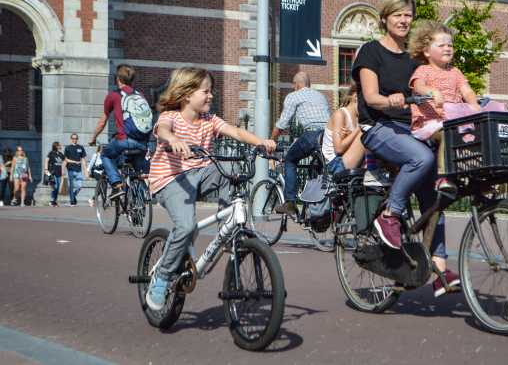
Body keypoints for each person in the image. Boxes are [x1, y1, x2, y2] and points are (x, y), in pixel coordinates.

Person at [351, 0, 459, 297]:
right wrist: (389, 100)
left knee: (434, 195)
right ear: (385, 18)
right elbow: (370, 97)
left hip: (409, 127)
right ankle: (390, 216)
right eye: (398, 14)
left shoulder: (414, 59)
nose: (403, 19)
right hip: (379, 125)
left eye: (408, 15)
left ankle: (438, 268)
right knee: (421, 160)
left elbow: (429, 83)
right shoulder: (371, 51)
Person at [145, 67, 276, 311]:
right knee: (185, 227)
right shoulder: (171, 117)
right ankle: (162, 277)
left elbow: (235, 131)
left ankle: (227, 231)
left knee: (230, 174)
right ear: (186, 95)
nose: (211, 96)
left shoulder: (209, 120)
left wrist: (261, 142)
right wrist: (172, 139)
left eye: (211, 91)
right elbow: (162, 130)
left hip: (201, 173)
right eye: (206, 92)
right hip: (171, 179)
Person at [408, 20, 481, 193]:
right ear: (426, 51)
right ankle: (441, 176)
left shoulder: (455, 72)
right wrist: (432, 92)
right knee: (448, 134)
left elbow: (467, 91)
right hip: (429, 123)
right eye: (441, 45)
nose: (447, 48)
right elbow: (418, 86)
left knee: (476, 135)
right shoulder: (423, 70)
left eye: (450, 45)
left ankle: (476, 176)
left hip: (451, 120)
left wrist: (474, 104)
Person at [271, 71, 331, 216]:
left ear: (296, 84)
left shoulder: (294, 96)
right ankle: (318, 202)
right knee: (321, 166)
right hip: (329, 135)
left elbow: (282, 123)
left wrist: (271, 140)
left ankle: (290, 202)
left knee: (290, 160)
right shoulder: (320, 96)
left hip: (312, 134)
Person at [89, 64, 150, 200]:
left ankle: (117, 185)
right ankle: (138, 199)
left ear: (118, 79)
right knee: (134, 170)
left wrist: (93, 138)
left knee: (106, 155)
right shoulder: (140, 95)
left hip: (124, 140)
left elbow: (102, 121)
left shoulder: (113, 96)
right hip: (143, 143)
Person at [321, 83, 364, 175]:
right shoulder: (340, 114)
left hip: (348, 158)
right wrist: (358, 129)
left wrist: (351, 135)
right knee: (366, 130)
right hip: (336, 163)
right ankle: (373, 170)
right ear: (355, 97)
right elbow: (339, 149)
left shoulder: (358, 118)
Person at [64, 133, 88, 206]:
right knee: (71, 185)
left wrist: (86, 170)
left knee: (79, 186)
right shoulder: (67, 148)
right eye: (73, 138)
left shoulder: (80, 147)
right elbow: (65, 159)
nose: (74, 140)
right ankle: (72, 201)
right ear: (71, 139)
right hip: (71, 169)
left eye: (76, 138)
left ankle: (73, 196)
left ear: (77, 139)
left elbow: (83, 159)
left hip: (79, 170)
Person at [44, 141, 65, 207]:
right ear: (56, 146)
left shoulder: (61, 154)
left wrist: (63, 172)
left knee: (58, 187)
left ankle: (54, 201)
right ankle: (52, 200)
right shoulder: (51, 153)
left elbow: (64, 162)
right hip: (52, 173)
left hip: (59, 172)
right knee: (55, 187)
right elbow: (46, 160)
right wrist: (46, 169)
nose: (60, 146)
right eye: (59, 145)